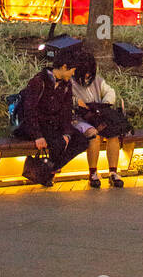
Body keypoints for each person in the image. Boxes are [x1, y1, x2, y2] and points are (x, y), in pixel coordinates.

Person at [15, 48, 91, 186]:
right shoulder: (39, 81)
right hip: (37, 124)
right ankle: (46, 172)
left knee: (82, 141)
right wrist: (37, 135)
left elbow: (66, 111)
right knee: (57, 144)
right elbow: (29, 109)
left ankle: (51, 169)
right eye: (72, 70)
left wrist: (67, 133)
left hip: (54, 124)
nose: (73, 74)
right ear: (63, 67)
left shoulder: (66, 84)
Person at [71, 49, 126, 189]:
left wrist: (105, 104)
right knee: (94, 136)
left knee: (113, 133)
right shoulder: (70, 82)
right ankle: (93, 173)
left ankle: (113, 171)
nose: (88, 75)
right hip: (79, 118)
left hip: (97, 115)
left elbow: (109, 92)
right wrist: (76, 101)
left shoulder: (97, 80)